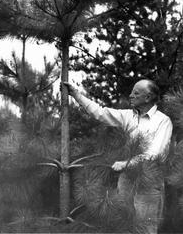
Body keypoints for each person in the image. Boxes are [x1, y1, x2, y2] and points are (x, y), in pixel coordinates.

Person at [63, 79, 173, 233]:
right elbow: (100, 113)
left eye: (136, 93)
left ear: (148, 97)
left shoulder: (163, 121)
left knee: (145, 229)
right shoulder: (128, 116)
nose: (131, 95)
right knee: (122, 226)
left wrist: (126, 163)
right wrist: (76, 94)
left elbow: (155, 153)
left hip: (149, 181)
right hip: (126, 179)